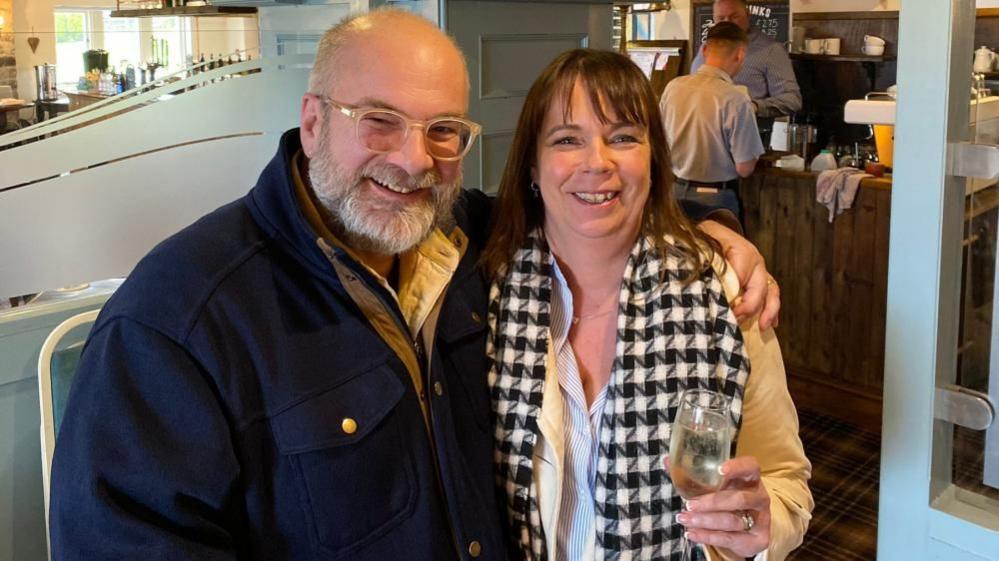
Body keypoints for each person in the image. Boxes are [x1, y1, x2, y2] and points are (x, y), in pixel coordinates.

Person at [49, 10, 779, 561]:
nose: (412, 160)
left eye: (443, 131)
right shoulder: (179, 318)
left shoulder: (462, 244)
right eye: (379, 121)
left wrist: (704, 230)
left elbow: (584, 209)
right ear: (311, 122)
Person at [483, 49, 812, 561]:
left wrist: (761, 523)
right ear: (533, 162)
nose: (598, 161)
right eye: (567, 139)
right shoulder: (483, 295)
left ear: (654, 158)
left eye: (623, 138)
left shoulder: (722, 290)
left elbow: (786, 481)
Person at [662, 22, 765, 224]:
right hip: (715, 199)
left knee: (675, 254)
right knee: (717, 255)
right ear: (740, 54)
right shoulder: (736, 99)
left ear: (705, 49)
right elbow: (745, 168)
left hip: (673, 193)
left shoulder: (673, 87)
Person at [692, 0, 801, 140]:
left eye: (734, 16)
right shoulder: (705, 48)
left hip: (749, 137)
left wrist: (754, 106)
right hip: (703, 136)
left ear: (748, 15)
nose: (728, 23)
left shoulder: (771, 50)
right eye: (721, 18)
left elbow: (793, 99)